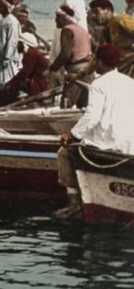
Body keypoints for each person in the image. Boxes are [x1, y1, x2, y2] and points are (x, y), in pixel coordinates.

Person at [56, 43, 134, 217]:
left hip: (106, 143)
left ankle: (74, 203)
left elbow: (92, 116)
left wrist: (72, 135)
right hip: (130, 145)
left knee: (64, 152)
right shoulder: (130, 83)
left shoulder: (98, 85)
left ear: (98, 61)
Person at [74, 0, 134, 80]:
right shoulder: (105, 32)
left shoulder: (121, 19)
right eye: (93, 12)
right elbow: (97, 56)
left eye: (96, 11)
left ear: (108, 10)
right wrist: (81, 74)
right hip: (121, 73)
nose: (94, 16)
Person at [47, 5, 94, 108]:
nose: (55, 21)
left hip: (76, 71)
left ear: (63, 18)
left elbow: (65, 55)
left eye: (57, 17)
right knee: (84, 106)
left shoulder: (67, 30)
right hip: (89, 69)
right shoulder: (81, 30)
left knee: (66, 105)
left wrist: (53, 68)